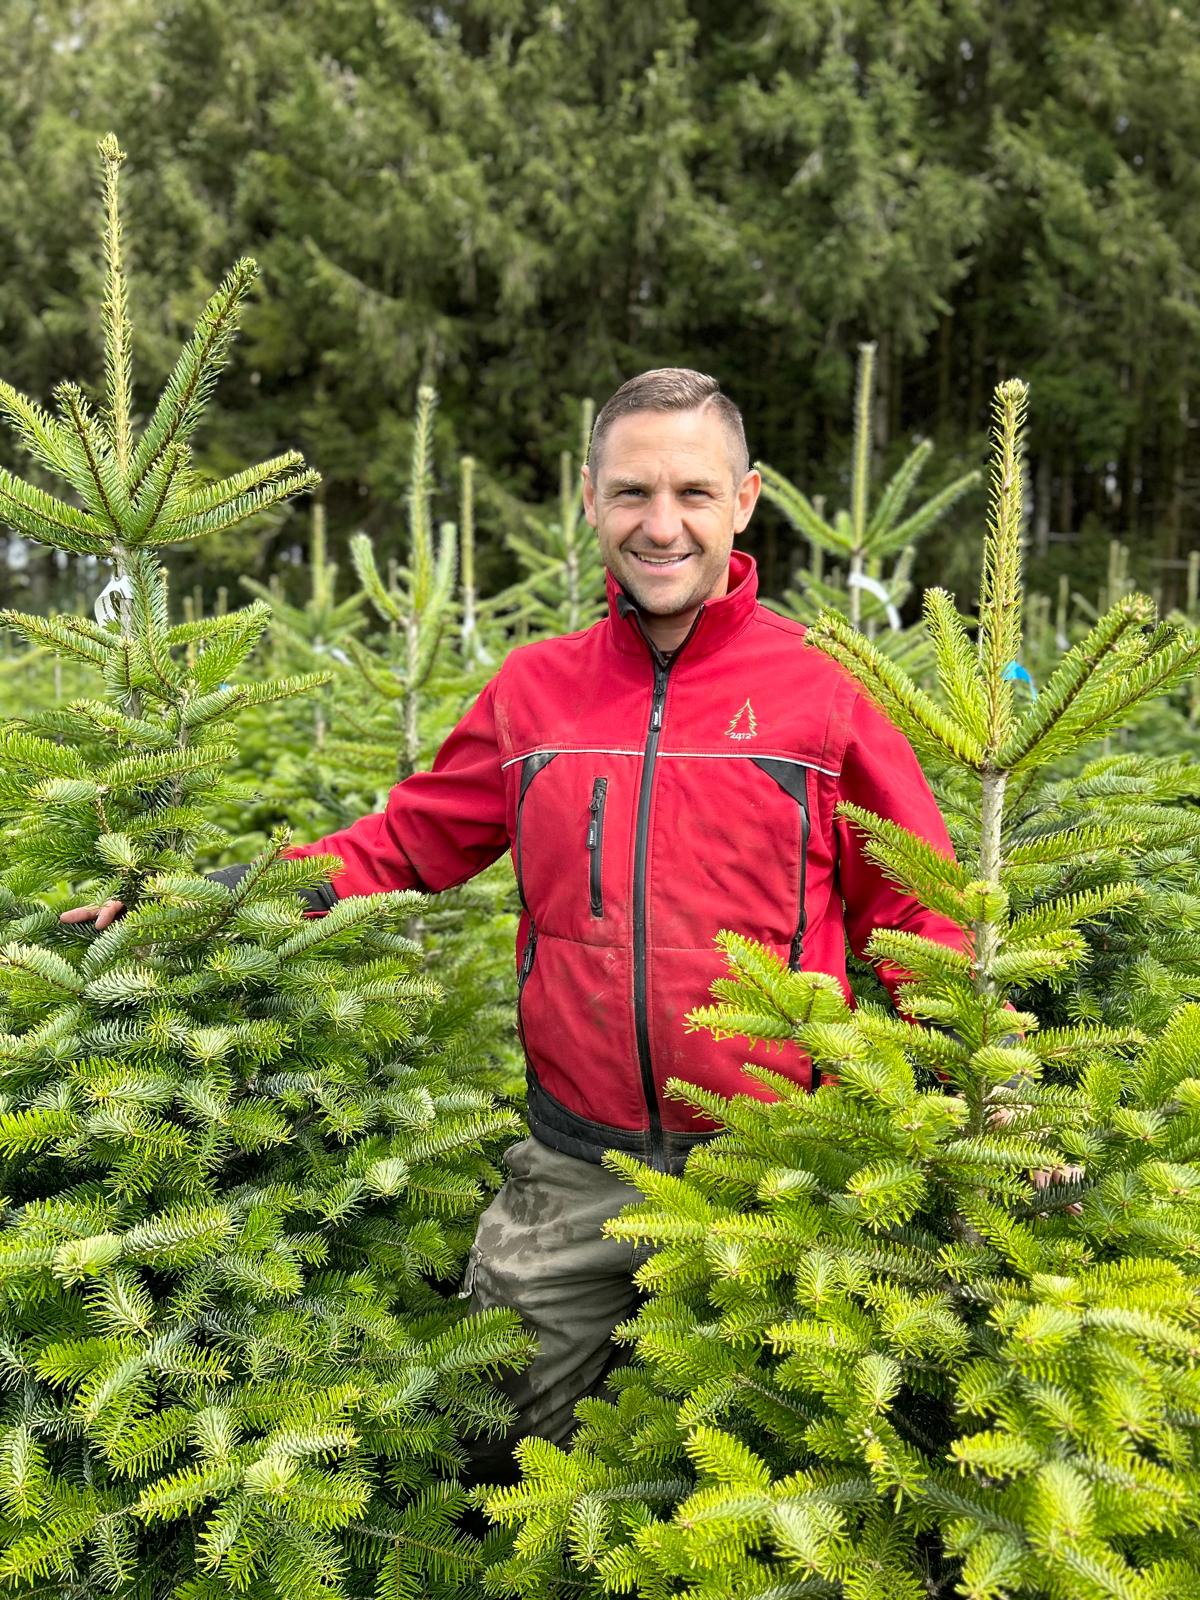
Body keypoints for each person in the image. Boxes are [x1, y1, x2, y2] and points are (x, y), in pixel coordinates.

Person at [62, 368, 966, 1478]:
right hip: (575, 1164)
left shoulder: (823, 696)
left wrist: (989, 1064)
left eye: (694, 490)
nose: (662, 522)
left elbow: (917, 907)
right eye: (633, 492)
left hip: (776, 1172)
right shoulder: (537, 691)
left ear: (745, 500)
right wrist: (205, 907)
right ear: (591, 500)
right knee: (494, 1452)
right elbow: (401, 845)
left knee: (766, 1480)